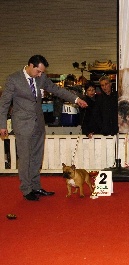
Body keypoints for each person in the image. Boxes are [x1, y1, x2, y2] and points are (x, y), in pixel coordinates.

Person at [0, 55, 88, 201]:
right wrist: (2, 124)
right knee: (25, 158)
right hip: (22, 124)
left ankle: (36, 186)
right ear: (30, 65)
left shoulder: (40, 78)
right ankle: (27, 189)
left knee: (37, 157)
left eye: (42, 72)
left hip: (38, 124)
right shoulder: (13, 79)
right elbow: (3, 104)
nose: (40, 75)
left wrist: (76, 99)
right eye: (38, 71)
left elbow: (56, 90)